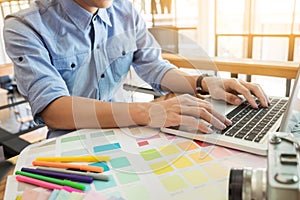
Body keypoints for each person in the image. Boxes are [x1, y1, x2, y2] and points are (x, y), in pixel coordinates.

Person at [3, 0, 269, 138]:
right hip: (71, 148)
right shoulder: (25, 26)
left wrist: (204, 83)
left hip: (129, 134)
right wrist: (149, 111)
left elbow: (154, 66)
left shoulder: (125, 11)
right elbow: (54, 110)